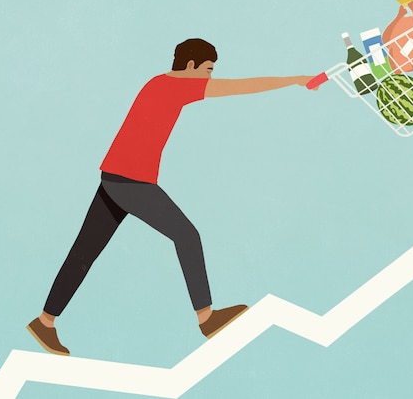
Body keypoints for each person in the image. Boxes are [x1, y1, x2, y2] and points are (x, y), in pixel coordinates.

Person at [26, 38, 318, 355]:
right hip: (131, 183)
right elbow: (242, 86)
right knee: (187, 236)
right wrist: (296, 80)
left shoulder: (157, 82)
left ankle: (45, 321)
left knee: (84, 252)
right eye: (208, 70)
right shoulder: (177, 87)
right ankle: (206, 318)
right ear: (191, 66)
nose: (209, 77)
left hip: (113, 177)